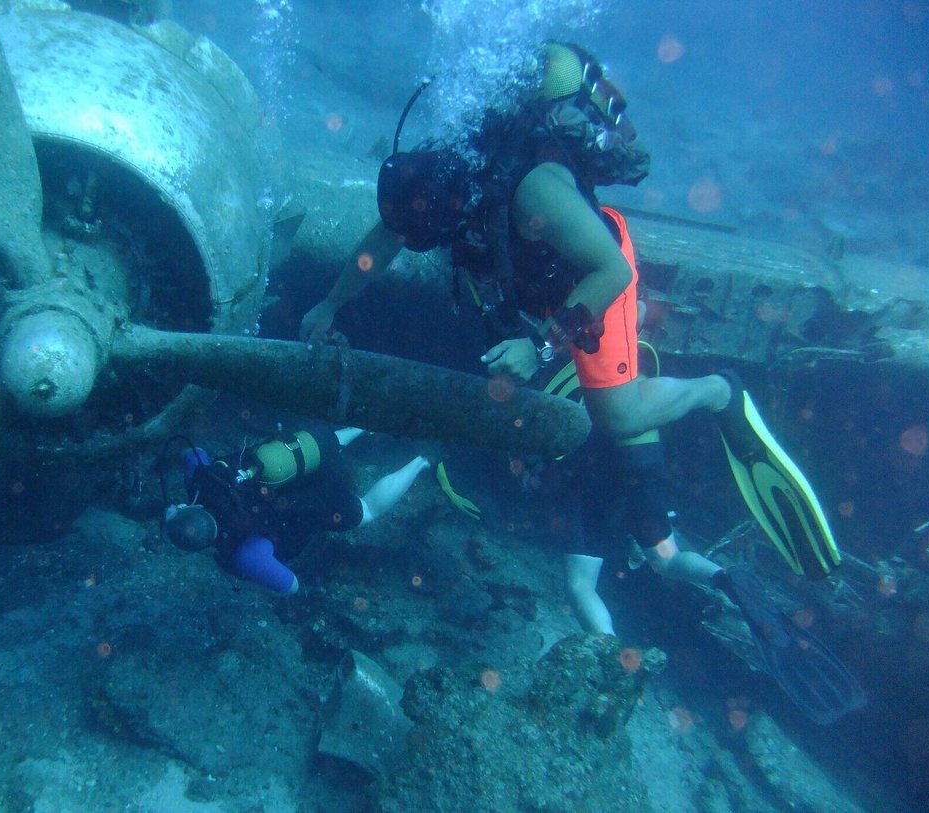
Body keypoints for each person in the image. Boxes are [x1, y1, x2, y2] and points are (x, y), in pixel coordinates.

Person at [301, 42, 860, 722]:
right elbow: (379, 244)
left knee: (617, 416)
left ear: (457, 209)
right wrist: (330, 303)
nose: (423, 246)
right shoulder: (440, 181)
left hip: (590, 274)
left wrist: (539, 344)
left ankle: (719, 391)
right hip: (535, 284)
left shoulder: (535, 192)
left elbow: (612, 275)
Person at [163, 427, 429, 595]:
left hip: (317, 502)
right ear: (185, 508)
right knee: (329, 444)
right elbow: (193, 451)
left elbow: (291, 586)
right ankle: (364, 426)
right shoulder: (199, 481)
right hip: (296, 461)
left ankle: (422, 460)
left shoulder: (245, 556)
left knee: (368, 508)